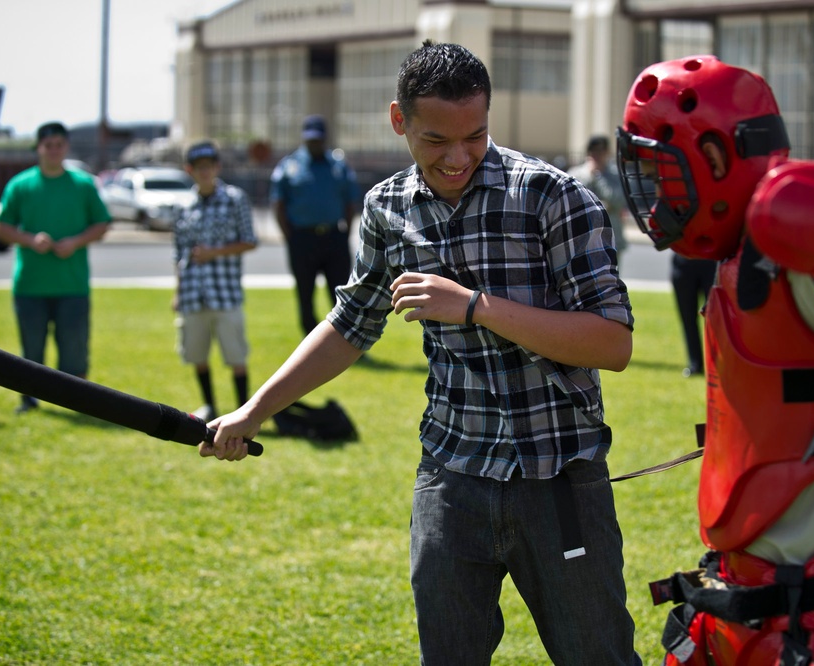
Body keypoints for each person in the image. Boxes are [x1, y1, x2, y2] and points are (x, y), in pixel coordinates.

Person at [203, 41, 639, 665]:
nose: (458, 157)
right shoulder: (387, 208)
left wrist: (475, 305)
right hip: (451, 477)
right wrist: (254, 410)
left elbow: (612, 342)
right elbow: (350, 324)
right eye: (436, 140)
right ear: (398, 120)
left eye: (475, 136)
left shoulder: (552, 196)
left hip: (559, 475)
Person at [617, 55, 814, 664]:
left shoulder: (800, 243)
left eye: (663, 172)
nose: (656, 197)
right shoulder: (743, 255)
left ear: (714, 158)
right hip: (767, 593)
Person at [0, 121, 111, 414]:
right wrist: (30, 240)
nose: (54, 150)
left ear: (66, 147)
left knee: (74, 348)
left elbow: (102, 224)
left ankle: (76, 401)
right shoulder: (21, 185)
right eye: (48, 145)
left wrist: (75, 241)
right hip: (30, 284)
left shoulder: (83, 185)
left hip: (72, 284)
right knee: (31, 348)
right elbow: (1, 227)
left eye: (59, 145)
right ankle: (29, 399)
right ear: (39, 148)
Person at [173, 140, 258, 422]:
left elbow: (249, 240)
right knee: (197, 354)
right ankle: (209, 405)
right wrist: (177, 291)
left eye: (209, 166)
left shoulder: (234, 199)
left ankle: (244, 411)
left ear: (217, 167)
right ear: (190, 170)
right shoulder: (183, 205)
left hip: (225, 292)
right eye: (199, 167)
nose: (205, 172)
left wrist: (214, 252)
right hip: (192, 292)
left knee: (236, 356)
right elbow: (178, 252)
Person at [269, 114, 360, 336]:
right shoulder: (289, 165)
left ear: (325, 138)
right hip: (302, 238)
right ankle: (310, 340)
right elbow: (278, 204)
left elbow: (350, 201)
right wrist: (289, 236)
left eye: (318, 139)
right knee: (305, 292)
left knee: (341, 293)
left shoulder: (338, 165)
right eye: (310, 139)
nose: (314, 144)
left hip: (333, 236)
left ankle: (345, 339)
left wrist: (345, 232)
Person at [567, 134, 629, 263]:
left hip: (611, 236)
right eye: (593, 151)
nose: (597, 155)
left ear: (607, 152)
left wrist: (598, 176)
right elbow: (573, 200)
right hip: (583, 236)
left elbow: (618, 200)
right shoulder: (576, 174)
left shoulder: (615, 174)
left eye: (601, 151)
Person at [669, 252, 715, 377]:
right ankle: (695, 363)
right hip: (683, 261)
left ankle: (716, 364)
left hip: (712, 260)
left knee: (715, 320)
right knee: (687, 318)